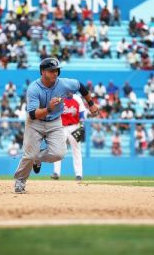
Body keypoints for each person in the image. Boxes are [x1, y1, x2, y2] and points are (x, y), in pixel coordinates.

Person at [13, 58, 98, 194]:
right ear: (42, 71)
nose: (55, 73)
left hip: (54, 122)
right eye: (51, 70)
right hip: (35, 123)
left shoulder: (63, 84)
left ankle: (37, 158)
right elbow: (34, 114)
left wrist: (91, 104)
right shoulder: (33, 89)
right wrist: (49, 108)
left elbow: (80, 86)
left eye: (57, 70)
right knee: (29, 155)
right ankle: (20, 182)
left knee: (59, 153)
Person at [52, 93, 86, 181]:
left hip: (74, 127)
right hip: (61, 127)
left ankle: (79, 174)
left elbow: (82, 113)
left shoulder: (77, 99)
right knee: (58, 150)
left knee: (76, 150)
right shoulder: (60, 99)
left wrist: (81, 125)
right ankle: (56, 172)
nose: (69, 91)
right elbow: (54, 112)